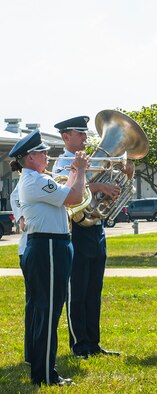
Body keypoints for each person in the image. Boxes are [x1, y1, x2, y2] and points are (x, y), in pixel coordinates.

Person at [9, 130, 88, 386]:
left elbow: (68, 193)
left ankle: (39, 364)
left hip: (50, 246)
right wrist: (82, 172)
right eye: (42, 151)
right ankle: (45, 374)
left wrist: (75, 171)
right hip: (49, 247)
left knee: (45, 309)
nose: (47, 154)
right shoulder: (35, 180)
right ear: (30, 158)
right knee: (49, 311)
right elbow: (75, 197)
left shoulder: (36, 178)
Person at [53, 116, 121, 358]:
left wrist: (113, 188)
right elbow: (67, 190)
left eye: (85, 133)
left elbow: (96, 193)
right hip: (76, 232)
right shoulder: (62, 162)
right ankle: (79, 344)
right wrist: (100, 187)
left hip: (96, 228)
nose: (85, 137)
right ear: (65, 137)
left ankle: (93, 342)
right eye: (79, 133)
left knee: (94, 289)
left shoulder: (90, 160)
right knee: (77, 290)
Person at [10, 179, 30, 366]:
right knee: (35, 304)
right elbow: (15, 195)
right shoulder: (28, 179)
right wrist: (21, 216)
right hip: (30, 246)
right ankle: (32, 352)